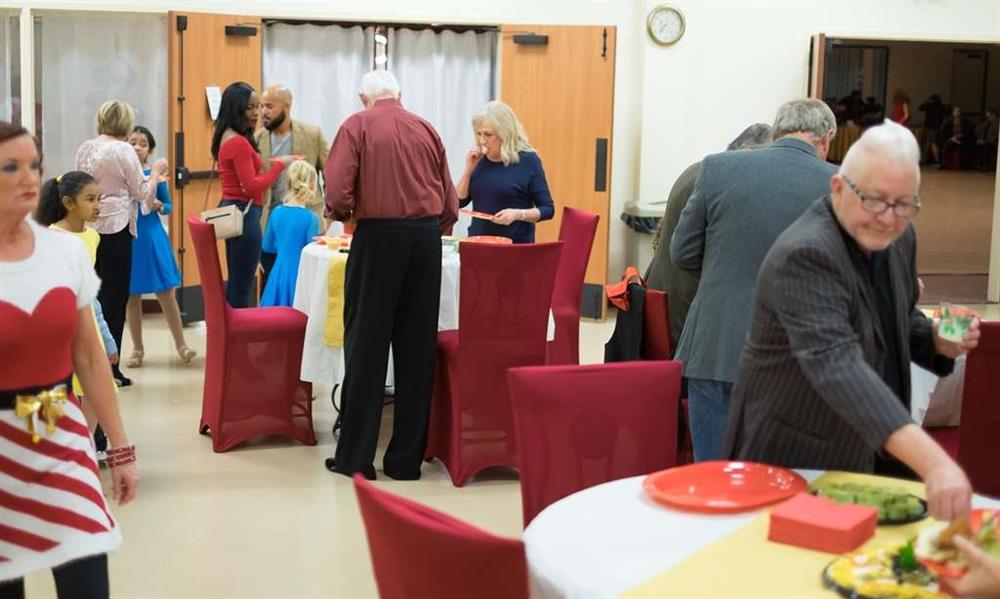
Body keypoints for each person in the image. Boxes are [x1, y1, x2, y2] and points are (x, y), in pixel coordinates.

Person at [723, 121, 979, 521]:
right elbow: (836, 363)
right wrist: (935, 461)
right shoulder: (806, 253)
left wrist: (937, 340)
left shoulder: (899, 237)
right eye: (874, 200)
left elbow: (893, 319)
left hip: (874, 450)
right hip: (799, 456)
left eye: (903, 205)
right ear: (838, 188)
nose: (887, 218)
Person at [0, 120, 138, 597]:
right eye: (11, 167)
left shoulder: (64, 252)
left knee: (86, 583)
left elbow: (89, 356)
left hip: (61, 435)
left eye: (34, 165)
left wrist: (119, 447)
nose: (28, 178)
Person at [669, 99, 837, 462]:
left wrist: (721, 270)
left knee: (714, 475)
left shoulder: (718, 168)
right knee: (780, 480)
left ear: (777, 131)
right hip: (797, 356)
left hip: (717, 345)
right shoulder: (839, 185)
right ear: (826, 139)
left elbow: (681, 253)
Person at [323, 70, 458, 480]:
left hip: (378, 238)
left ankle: (356, 458)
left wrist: (345, 215)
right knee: (417, 349)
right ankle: (405, 461)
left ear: (364, 96)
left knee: (366, 344)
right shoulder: (426, 128)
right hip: (424, 241)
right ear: (400, 94)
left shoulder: (356, 124)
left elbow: (336, 190)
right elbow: (450, 202)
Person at [646, 123, 772, 352]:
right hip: (688, 314)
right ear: (752, 153)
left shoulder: (699, 169)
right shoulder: (723, 182)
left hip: (662, 299)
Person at [75, 100, 168, 386]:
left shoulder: (86, 147)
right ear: (126, 123)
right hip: (116, 229)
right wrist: (156, 173)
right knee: (113, 300)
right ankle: (110, 369)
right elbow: (143, 195)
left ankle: (87, 363)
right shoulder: (123, 150)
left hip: (88, 228)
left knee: (90, 300)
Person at [33, 169, 120, 457]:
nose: (97, 206)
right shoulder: (52, 238)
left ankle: (84, 447)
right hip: (61, 330)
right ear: (69, 202)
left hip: (88, 324)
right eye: (90, 199)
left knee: (97, 388)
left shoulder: (93, 237)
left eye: (100, 199)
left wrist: (105, 337)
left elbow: (90, 294)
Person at [211, 81, 300, 308]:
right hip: (245, 213)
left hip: (235, 210)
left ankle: (230, 339)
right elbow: (251, 187)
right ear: (236, 107)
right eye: (250, 107)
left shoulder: (227, 134)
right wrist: (279, 166)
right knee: (242, 287)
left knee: (236, 282)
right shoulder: (239, 142)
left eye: (258, 106)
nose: (257, 113)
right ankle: (240, 341)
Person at [125, 125, 196, 367]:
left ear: (150, 150)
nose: (137, 147)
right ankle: (137, 349)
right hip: (130, 240)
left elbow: (169, 207)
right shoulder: (122, 175)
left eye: (143, 143)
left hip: (152, 239)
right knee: (131, 298)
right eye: (132, 141)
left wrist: (158, 206)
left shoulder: (155, 177)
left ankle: (181, 345)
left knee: (166, 294)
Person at [255, 85, 329, 287]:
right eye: (261, 106)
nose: (263, 112)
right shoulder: (256, 140)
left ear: (286, 105)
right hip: (271, 221)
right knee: (272, 280)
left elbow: (330, 173)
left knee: (308, 283)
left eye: (269, 106)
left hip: (308, 219)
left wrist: (329, 214)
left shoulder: (312, 134)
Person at [456, 101, 554, 244]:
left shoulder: (528, 160)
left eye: (488, 135)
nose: (482, 141)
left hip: (514, 245)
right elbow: (458, 202)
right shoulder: (478, 160)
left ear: (505, 134)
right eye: (479, 134)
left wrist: (518, 214)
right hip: (478, 242)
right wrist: (468, 169)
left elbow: (547, 209)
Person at [260, 160, 321, 307]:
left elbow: (267, 246)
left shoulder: (276, 212)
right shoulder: (311, 218)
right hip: (299, 276)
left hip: (278, 274)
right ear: (312, 185)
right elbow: (310, 252)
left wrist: (283, 245)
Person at [940, 105, 975, 170]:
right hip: (952, 138)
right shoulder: (949, 121)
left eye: (958, 111)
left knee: (965, 146)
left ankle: (964, 165)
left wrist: (960, 138)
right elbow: (944, 132)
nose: (956, 112)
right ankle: (944, 163)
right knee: (947, 144)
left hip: (963, 139)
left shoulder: (965, 122)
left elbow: (968, 132)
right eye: (955, 111)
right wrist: (952, 138)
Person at [918, 94, 946, 165]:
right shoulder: (940, 107)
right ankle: (933, 160)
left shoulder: (929, 106)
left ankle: (935, 160)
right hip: (937, 127)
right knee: (933, 143)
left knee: (931, 144)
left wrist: (927, 102)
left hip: (929, 127)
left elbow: (920, 108)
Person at [974, 107, 998, 171]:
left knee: (985, 146)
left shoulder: (997, 123)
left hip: (993, 142)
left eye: (989, 116)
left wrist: (986, 141)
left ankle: (986, 165)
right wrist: (979, 137)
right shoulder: (986, 123)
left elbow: (997, 136)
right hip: (984, 141)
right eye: (987, 116)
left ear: (994, 115)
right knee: (977, 145)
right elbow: (976, 130)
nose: (988, 118)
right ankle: (979, 164)